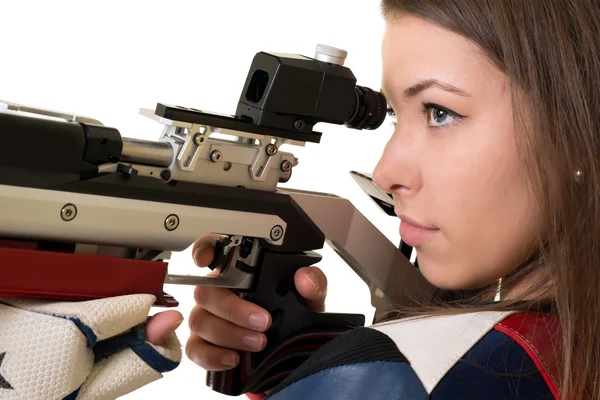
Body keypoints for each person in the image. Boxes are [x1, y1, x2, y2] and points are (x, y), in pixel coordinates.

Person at [155, 0, 600, 398]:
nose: (386, 173)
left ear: (577, 137)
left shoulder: (407, 375)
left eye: (439, 112)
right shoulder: (558, 352)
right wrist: (312, 372)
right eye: (392, 117)